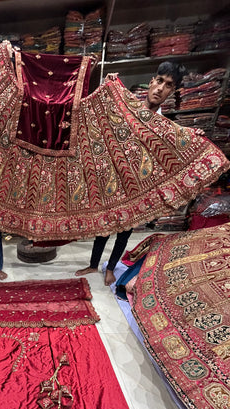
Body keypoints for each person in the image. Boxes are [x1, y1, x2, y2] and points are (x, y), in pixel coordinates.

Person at [75, 61, 201, 286]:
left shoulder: (165, 126)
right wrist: (109, 87)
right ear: (152, 81)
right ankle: (94, 264)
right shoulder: (128, 107)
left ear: (173, 91)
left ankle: (110, 268)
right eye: (159, 81)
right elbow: (103, 116)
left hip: (139, 188)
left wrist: (194, 138)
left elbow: (176, 147)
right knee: (104, 228)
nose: (160, 88)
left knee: (124, 233)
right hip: (114, 181)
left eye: (168, 85)